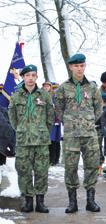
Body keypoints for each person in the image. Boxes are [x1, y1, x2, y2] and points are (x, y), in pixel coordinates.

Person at [55, 53, 102, 213]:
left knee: (91, 166)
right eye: (76, 66)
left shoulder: (93, 87)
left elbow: (99, 108)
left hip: (90, 134)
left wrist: (87, 122)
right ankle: (72, 202)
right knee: (70, 167)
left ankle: (91, 201)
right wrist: (70, 122)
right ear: (71, 67)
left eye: (82, 65)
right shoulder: (63, 88)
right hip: (71, 136)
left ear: (85, 66)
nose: (79, 69)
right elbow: (59, 109)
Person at [8, 64, 54, 213]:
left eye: (33, 75)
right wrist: (22, 129)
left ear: (36, 77)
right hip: (23, 141)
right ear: (23, 77)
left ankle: (40, 202)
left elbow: (50, 117)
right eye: (27, 75)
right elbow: (12, 117)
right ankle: (28, 201)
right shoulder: (16, 96)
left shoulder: (44, 95)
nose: (30, 78)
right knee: (24, 170)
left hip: (41, 140)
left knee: (41, 171)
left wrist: (42, 131)